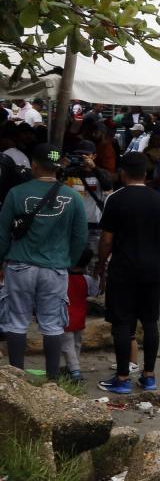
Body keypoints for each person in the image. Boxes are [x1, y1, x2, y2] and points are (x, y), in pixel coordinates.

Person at [0, 144, 87, 379]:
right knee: (52, 324)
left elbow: (2, 233)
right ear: (58, 168)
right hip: (55, 269)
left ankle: (16, 378)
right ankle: (52, 381)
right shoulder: (73, 198)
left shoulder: (16, 193)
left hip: (20, 266)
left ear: (34, 166)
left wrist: (1, 262)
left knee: (16, 321)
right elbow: (80, 237)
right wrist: (68, 261)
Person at [96, 153, 160, 394]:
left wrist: (101, 262)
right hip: (151, 269)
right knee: (150, 322)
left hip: (123, 269)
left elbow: (106, 239)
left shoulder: (116, 200)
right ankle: (148, 375)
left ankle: (122, 378)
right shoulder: (159, 200)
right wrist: (151, 254)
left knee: (122, 323)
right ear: (146, 174)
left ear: (122, 173)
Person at [63, 249, 100, 382]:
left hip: (65, 317)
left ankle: (75, 371)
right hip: (80, 316)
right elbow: (95, 291)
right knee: (77, 343)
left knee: (67, 345)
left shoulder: (63, 278)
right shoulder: (87, 279)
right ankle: (73, 367)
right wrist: (97, 276)